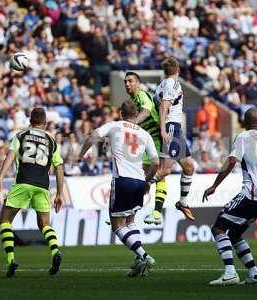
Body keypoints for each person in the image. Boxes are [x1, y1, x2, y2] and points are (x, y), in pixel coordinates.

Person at [203, 107, 257, 286]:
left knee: (218, 228)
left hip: (251, 193)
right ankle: (254, 275)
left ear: (245, 122)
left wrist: (215, 185)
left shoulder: (243, 137)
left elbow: (232, 161)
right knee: (234, 234)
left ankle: (230, 273)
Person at [79, 101, 159, 277]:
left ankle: (144, 256)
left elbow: (93, 135)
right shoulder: (145, 134)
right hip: (139, 181)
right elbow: (156, 162)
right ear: (136, 113)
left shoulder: (115, 126)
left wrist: (80, 154)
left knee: (117, 225)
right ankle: (140, 263)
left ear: (121, 113)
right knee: (130, 222)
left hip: (122, 179)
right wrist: (148, 180)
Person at [0, 107, 64, 278]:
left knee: (5, 221)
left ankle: (11, 259)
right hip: (42, 185)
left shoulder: (21, 135)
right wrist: (60, 193)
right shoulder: (52, 140)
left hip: (23, 181)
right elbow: (59, 167)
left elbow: (10, 156)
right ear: (45, 123)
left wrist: (0, 176)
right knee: (45, 224)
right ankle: (55, 252)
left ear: (30, 121)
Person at [152, 57, 196, 221]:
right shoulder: (173, 84)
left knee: (189, 167)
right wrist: (164, 129)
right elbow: (164, 107)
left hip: (175, 129)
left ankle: (183, 203)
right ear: (178, 71)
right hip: (171, 128)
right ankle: (134, 194)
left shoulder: (160, 86)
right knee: (164, 170)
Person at [124, 71, 167, 225]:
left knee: (155, 174)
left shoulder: (143, 96)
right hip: (146, 141)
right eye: (125, 82)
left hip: (157, 138)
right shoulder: (132, 100)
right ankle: (132, 213)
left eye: (130, 81)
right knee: (144, 176)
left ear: (138, 83)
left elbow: (147, 111)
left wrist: (132, 124)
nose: (127, 84)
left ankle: (152, 212)